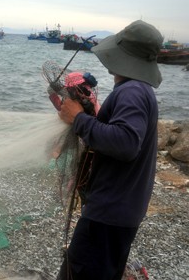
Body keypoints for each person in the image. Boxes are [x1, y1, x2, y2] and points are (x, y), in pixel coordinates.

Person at [56, 20, 163, 280]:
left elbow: (126, 143)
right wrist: (87, 116)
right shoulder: (138, 90)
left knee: (79, 273)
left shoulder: (132, 91)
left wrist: (79, 120)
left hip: (110, 212)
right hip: (121, 209)